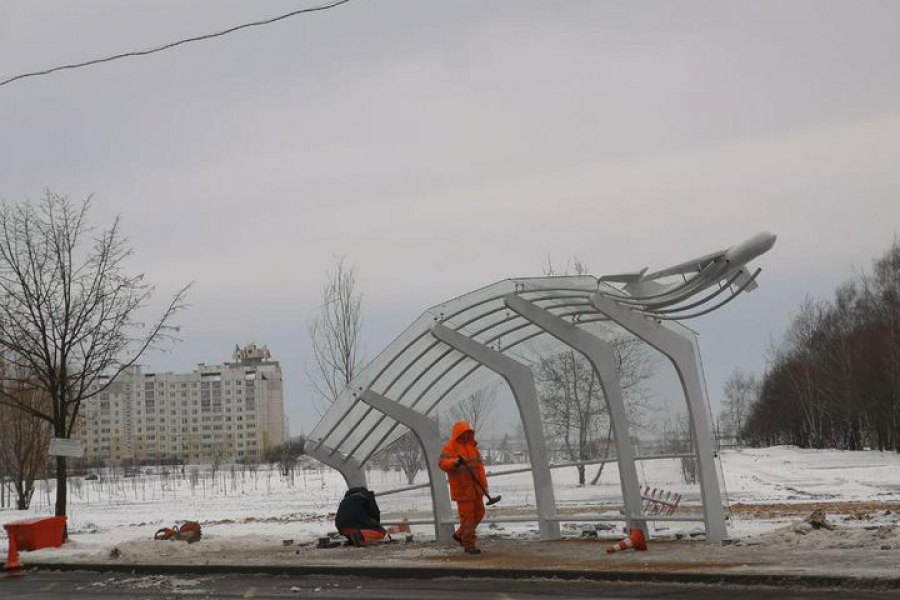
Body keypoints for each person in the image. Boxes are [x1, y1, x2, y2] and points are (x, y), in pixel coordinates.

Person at [439, 421, 488, 554]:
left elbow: (480, 469)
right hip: (462, 490)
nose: (466, 435)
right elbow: (442, 463)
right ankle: (469, 545)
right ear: (458, 434)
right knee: (468, 519)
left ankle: (460, 535)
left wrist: (485, 485)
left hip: (476, 489)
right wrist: (455, 462)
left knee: (480, 513)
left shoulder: (473, 447)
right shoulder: (449, 448)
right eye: (464, 433)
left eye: (468, 433)